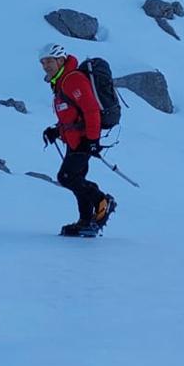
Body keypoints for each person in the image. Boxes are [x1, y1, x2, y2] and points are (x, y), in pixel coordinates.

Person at [39, 43, 115, 237]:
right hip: (75, 140)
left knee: (67, 177)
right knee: (76, 178)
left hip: (83, 139)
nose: (45, 65)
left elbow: (91, 110)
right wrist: (56, 131)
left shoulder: (72, 79)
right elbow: (72, 114)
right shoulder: (61, 81)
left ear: (61, 60)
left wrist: (92, 140)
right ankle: (85, 221)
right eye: (43, 62)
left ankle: (102, 201)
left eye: (49, 61)